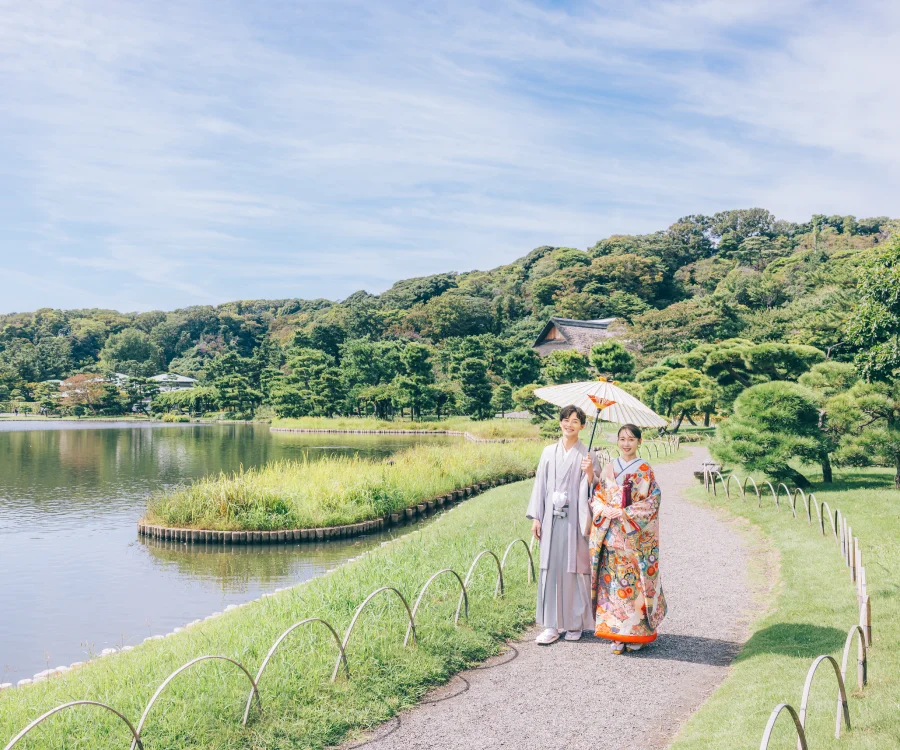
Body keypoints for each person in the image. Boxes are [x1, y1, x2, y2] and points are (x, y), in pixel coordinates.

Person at [526, 405, 602, 645]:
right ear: (560, 422)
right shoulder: (548, 452)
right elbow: (540, 485)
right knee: (550, 568)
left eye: (575, 421)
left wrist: (590, 473)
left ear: (582, 426)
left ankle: (575, 623)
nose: (570, 425)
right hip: (550, 519)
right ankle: (551, 625)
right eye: (566, 420)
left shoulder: (588, 455)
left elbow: (597, 488)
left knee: (574, 569)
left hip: (576, 521)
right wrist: (537, 517)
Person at [589, 423, 667, 655]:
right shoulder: (609, 468)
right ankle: (616, 631)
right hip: (611, 535)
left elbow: (652, 501)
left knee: (634, 585)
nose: (626, 443)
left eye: (631, 439)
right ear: (617, 442)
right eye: (622, 439)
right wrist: (604, 508)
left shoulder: (645, 470)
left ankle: (637, 633)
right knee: (612, 584)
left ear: (639, 442)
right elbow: (598, 495)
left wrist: (624, 513)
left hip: (633, 538)